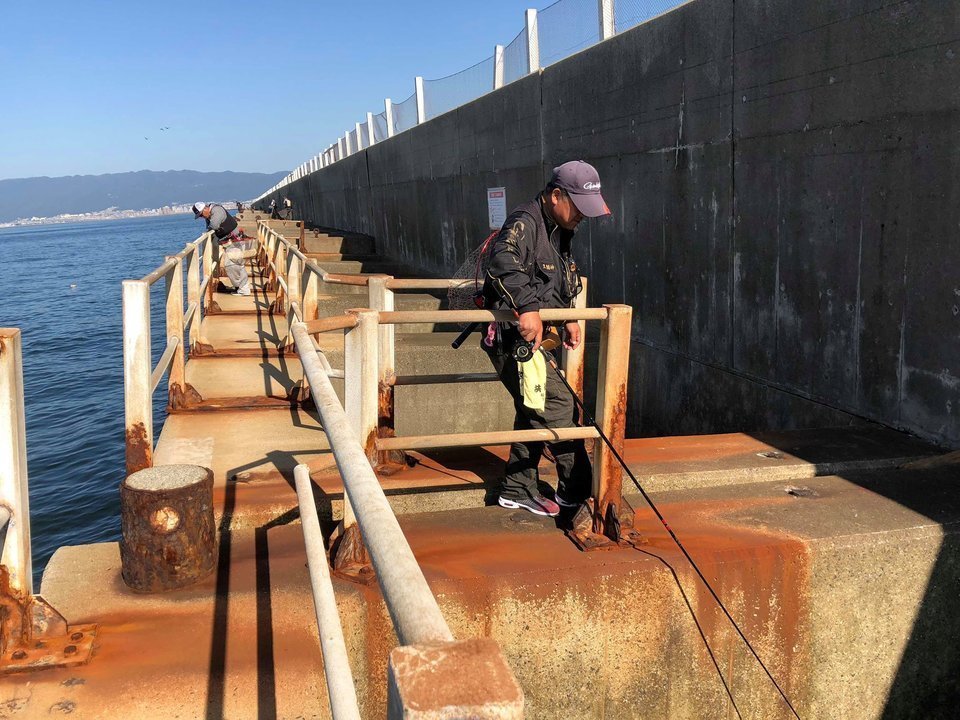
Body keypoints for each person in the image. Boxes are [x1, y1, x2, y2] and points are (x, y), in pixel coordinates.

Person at [481, 160, 611, 517]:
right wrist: (527, 308)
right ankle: (579, 492)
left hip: (537, 339)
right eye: (580, 208)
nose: (584, 217)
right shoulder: (525, 222)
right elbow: (502, 260)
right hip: (513, 340)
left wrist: (567, 316)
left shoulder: (560, 228)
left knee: (532, 409)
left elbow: (557, 280)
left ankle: (516, 487)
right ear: (556, 196)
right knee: (557, 407)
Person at [193, 201, 252, 296]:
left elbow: (214, 225)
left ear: (205, 208)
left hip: (234, 241)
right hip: (230, 242)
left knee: (232, 265)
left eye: (201, 215)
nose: (202, 217)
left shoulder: (217, 210)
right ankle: (242, 288)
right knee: (236, 265)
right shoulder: (209, 215)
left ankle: (243, 289)